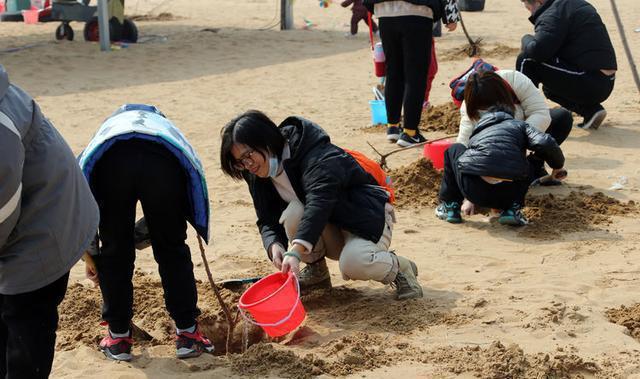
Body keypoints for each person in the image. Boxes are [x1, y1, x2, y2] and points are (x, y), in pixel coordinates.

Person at [220, 110, 423, 300]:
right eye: (239, 162)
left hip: (365, 219)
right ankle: (317, 272)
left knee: (353, 263)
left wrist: (295, 252)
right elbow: (266, 218)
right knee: (294, 211)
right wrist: (275, 245)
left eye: (248, 155)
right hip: (328, 226)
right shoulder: (256, 173)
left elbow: (319, 203)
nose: (248, 165)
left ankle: (400, 268)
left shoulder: (315, 153)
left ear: (266, 140)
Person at [78, 104, 214, 361]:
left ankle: (118, 338)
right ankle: (187, 335)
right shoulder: (164, 129)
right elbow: (190, 182)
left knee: (115, 250)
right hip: (162, 162)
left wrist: (92, 255)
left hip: (111, 164)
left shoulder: (106, 134)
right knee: (172, 248)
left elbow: (81, 200)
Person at [0, 65, 99, 378]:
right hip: (22, 211)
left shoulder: (1, 128)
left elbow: (3, 209)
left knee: (25, 336)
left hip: (43, 227)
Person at [436, 71, 565, 225]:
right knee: (523, 163)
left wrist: (468, 194)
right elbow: (545, 143)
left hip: (476, 191)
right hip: (510, 192)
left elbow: (462, 151)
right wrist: (557, 165)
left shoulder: (517, 83)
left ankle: (450, 206)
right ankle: (512, 208)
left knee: (454, 149)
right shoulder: (519, 125)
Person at [364, 0, 459, 147]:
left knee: (393, 71)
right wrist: (451, 17)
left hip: (385, 12)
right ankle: (410, 133)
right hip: (417, 12)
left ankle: (393, 126)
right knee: (415, 75)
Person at [456, 69, 572, 184]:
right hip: (493, 152)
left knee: (561, 117)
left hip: (519, 132)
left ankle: (535, 164)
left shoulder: (516, 80)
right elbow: (463, 141)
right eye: (482, 109)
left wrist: (518, 136)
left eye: (491, 106)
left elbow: (540, 112)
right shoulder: (469, 105)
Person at [516, 0, 617, 130]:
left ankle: (527, 119)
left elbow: (537, 51)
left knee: (526, 60)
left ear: (539, 2)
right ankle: (591, 110)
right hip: (604, 80)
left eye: (529, 8)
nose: (530, 13)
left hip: (590, 80)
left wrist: (525, 38)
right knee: (550, 89)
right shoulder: (569, 4)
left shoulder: (553, 13)